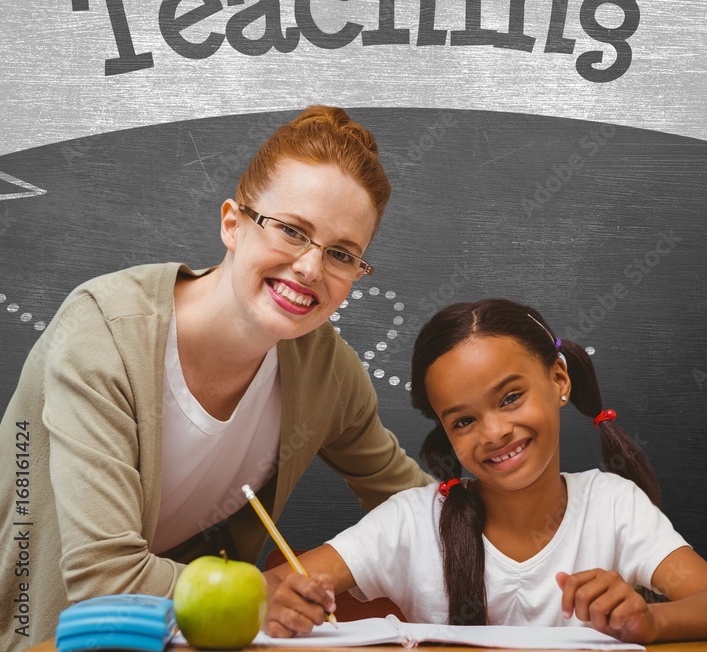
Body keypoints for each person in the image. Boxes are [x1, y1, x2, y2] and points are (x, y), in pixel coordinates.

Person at [0, 106, 431, 651]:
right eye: (293, 230)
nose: (310, 268)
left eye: (342, 254)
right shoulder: (103, 333)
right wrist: (259, 594)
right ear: (232, 223)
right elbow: (101, 581)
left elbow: (416, 509)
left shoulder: (327, 371)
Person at [265, 298, 707, 642]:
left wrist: (650, 619)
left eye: (510, 397)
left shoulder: (613, 505)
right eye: (463, 421)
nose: (494, 432)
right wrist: (279, 599)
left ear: (559, 380)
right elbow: (273, 584)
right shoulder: (412, 522)